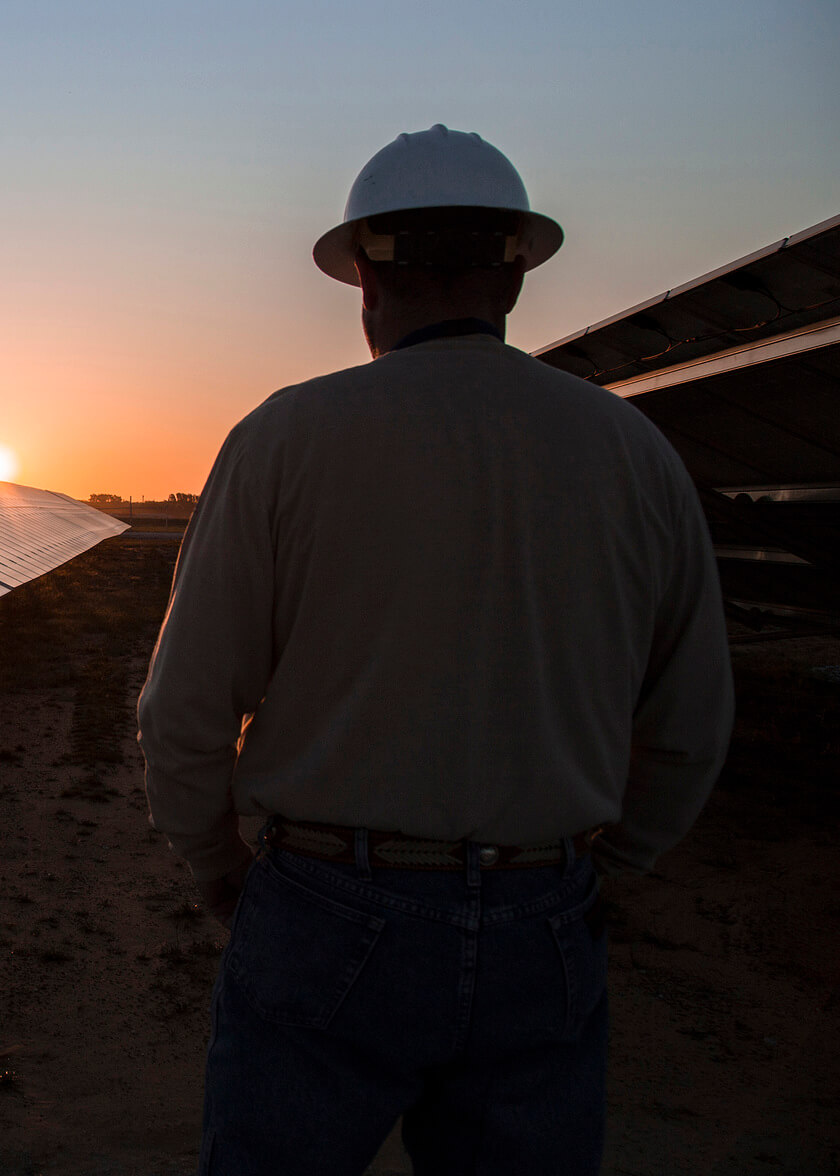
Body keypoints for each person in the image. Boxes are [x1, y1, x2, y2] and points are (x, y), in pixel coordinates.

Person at [135, 124, 734, 1174]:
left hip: (323, 904)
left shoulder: (285, 436)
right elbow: (691, 722)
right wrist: (618, 865)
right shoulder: (633, 450)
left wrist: (218, 864)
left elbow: (181, 709)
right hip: (543, 911)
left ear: (364, 276)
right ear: (513, 276)